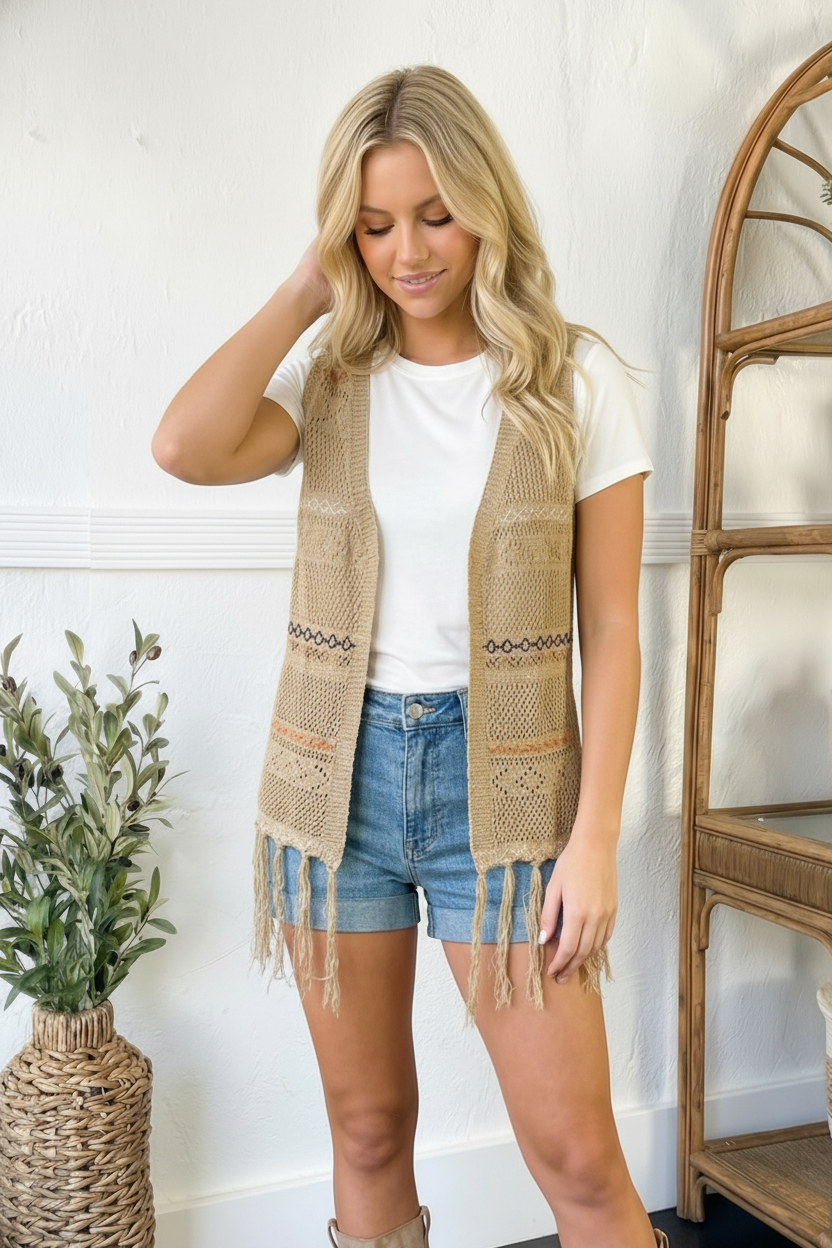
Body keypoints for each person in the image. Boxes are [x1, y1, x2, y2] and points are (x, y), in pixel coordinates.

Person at [152, 64, 665, 1248]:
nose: (408, 252)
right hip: (337, 786)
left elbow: (612, 629)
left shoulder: (575, 381)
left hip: (509, 796)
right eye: (375, 225)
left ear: (487, 204)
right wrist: (304, 285)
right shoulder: (331, 378)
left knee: (577, 1157)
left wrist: (592, 839)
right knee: (369, 1129)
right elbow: (183, 446)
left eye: (435, 215)